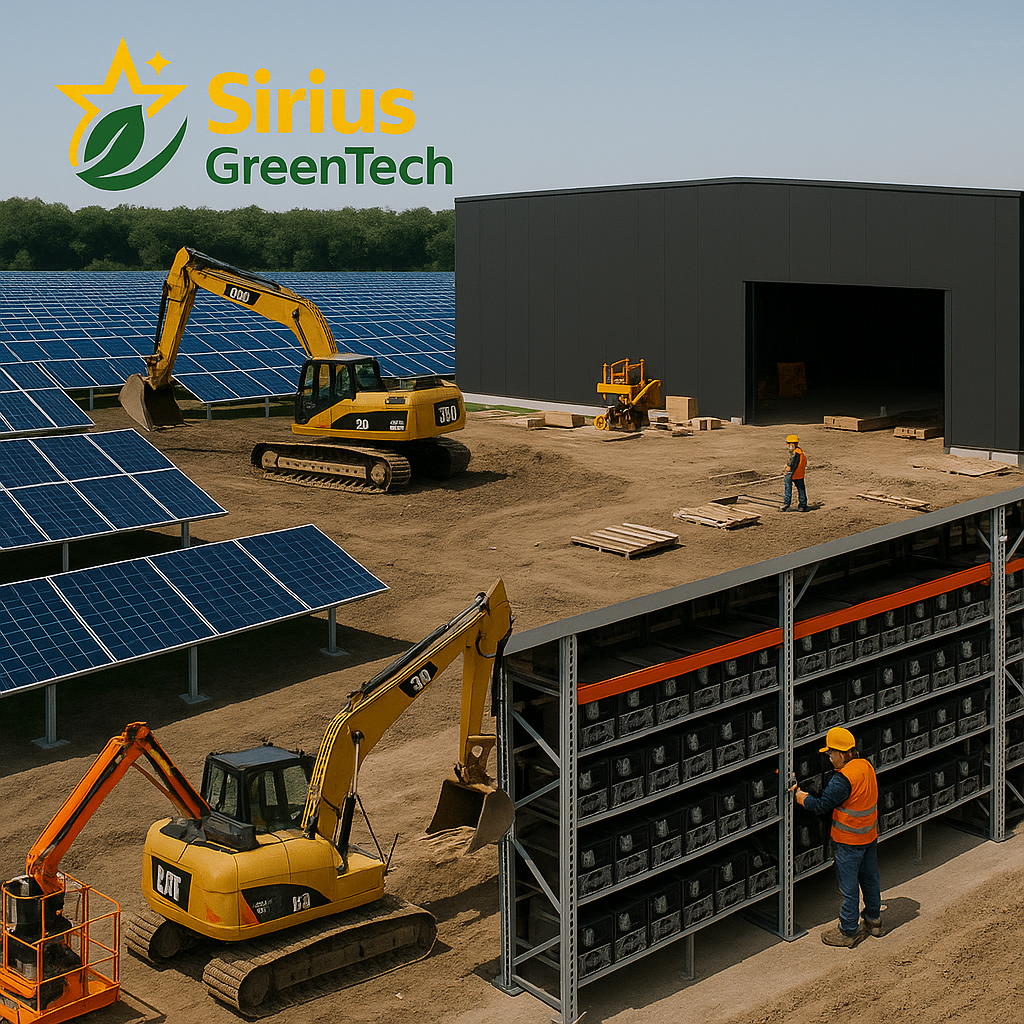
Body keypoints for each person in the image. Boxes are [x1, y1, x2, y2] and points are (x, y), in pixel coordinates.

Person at [793, 726, 882, 946]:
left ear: (843, 753)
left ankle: (848, 932)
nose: (830, 758)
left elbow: (822, 805)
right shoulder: (866, 766)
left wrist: (800, 796)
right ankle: (874, 920)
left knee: (848, 888)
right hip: (869, 837)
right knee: (870, 880)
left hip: (849, 842)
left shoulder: (843, 779)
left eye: (831, 753)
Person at [780, 434, 808, 512]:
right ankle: (802, 505)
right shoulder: (801, 453)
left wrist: (787, 470)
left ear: (791, 444)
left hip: (792, 473)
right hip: (800, 474)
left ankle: (786, 504)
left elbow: (792, 464)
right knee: (801, 489)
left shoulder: (795, 454)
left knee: (788, 489)